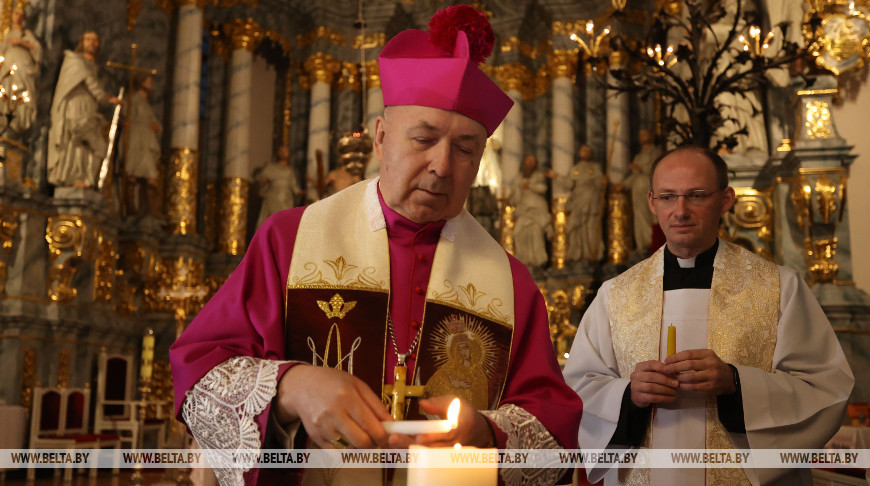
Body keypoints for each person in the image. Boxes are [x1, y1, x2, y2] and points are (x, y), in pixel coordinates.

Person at [170, 5, 581, 486]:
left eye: (465, 148)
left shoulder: (510, 282)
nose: (442, 166)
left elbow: (552, 435)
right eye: (424, 139)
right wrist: (291, 386)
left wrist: (486, 434)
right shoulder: (290, 238)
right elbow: (199, 376)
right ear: (382, 138)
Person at [563, 146, 853, 486]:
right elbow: (577, 389)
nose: (680, 211)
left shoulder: (779, 288)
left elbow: (826, 388)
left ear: (726, 199)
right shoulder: (615, 295)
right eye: (668, 197)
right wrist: (629, 395)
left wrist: (736, 384)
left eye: (696, 195)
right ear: (652, 202)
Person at [47, 30, 121, 188]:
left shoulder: (92, 65)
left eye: (95, 40)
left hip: (89, 105)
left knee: (88, 142)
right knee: (75, 137)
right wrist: (107, 98)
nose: (92, 43)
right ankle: (70, 176)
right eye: (88, 39)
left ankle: (82, 177)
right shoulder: (74, 60)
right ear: (82, 41)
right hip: (75, 103)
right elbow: (89, 81)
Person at [122, 72, 161, 219]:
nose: (151, 86)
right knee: (133, 171)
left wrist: (156, 127)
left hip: (147, 141)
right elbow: (126, 115)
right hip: (136, 139)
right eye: (148, 82)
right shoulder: (133, 100)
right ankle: (130, 207)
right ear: (141, 83)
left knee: (151, 175)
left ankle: (151, 210)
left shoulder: (146, 104)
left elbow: (154, 122)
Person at [0, 4, 41, 134]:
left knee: (21, 89)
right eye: (15, 14)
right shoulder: (8, 33)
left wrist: (20, 42)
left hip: (23, 66)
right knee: (6, 87)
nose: (17, 17)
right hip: (8, 66)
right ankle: (5, 116)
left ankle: (18, 119)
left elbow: (37, 49)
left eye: (20, 15)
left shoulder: (25, 33)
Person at [561, 144, 606, 263]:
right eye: (583, 150)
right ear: (579, 153)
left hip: (591, 199)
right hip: (577, 201)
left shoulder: (595, 167)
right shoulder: (575, 169)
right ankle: (575, 253)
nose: (586, 152)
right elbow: (568, 184)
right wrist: (556, 177)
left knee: (590, 226)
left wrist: (603, 182)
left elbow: (600, 183)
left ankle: (591, 253)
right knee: (575, 226)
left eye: (588, 150)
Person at [622, 129, 662, 253]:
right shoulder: (638, 156)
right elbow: (634, 175)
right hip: (637, 191)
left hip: (648, 187)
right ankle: (642, 243)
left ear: (651, 135)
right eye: (640, 135)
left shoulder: (656, 151)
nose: (643, 137)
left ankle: (650, 242)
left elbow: (657, 168)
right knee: (639, 215)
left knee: (649, 215)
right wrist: (622, 185)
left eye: (645, 134)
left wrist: (640, 167)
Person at [510, 154, 553, 268]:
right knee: (519, 233)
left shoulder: (539, 175)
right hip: (523, 211)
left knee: (536, 234)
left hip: (537, 210)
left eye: (532, 161)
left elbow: (543, 188)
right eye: (528, 160)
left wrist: (529, 186)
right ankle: (523, 260)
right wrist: (518, 189)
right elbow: (514, 197)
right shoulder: (518, 177)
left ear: (535, 164)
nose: (529, 163)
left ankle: (537, 261)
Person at [255, 145, 302, 227]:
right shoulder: (271, 167)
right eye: (282, 151)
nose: (284, 153)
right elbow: (261, 179)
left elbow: (294, 186)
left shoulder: (290, 170)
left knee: (284, 221)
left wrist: (304, 192)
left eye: (286, 151)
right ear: (278, 153)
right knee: (272, 220)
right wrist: (263, 184)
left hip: (286, 199)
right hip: (273, 197)